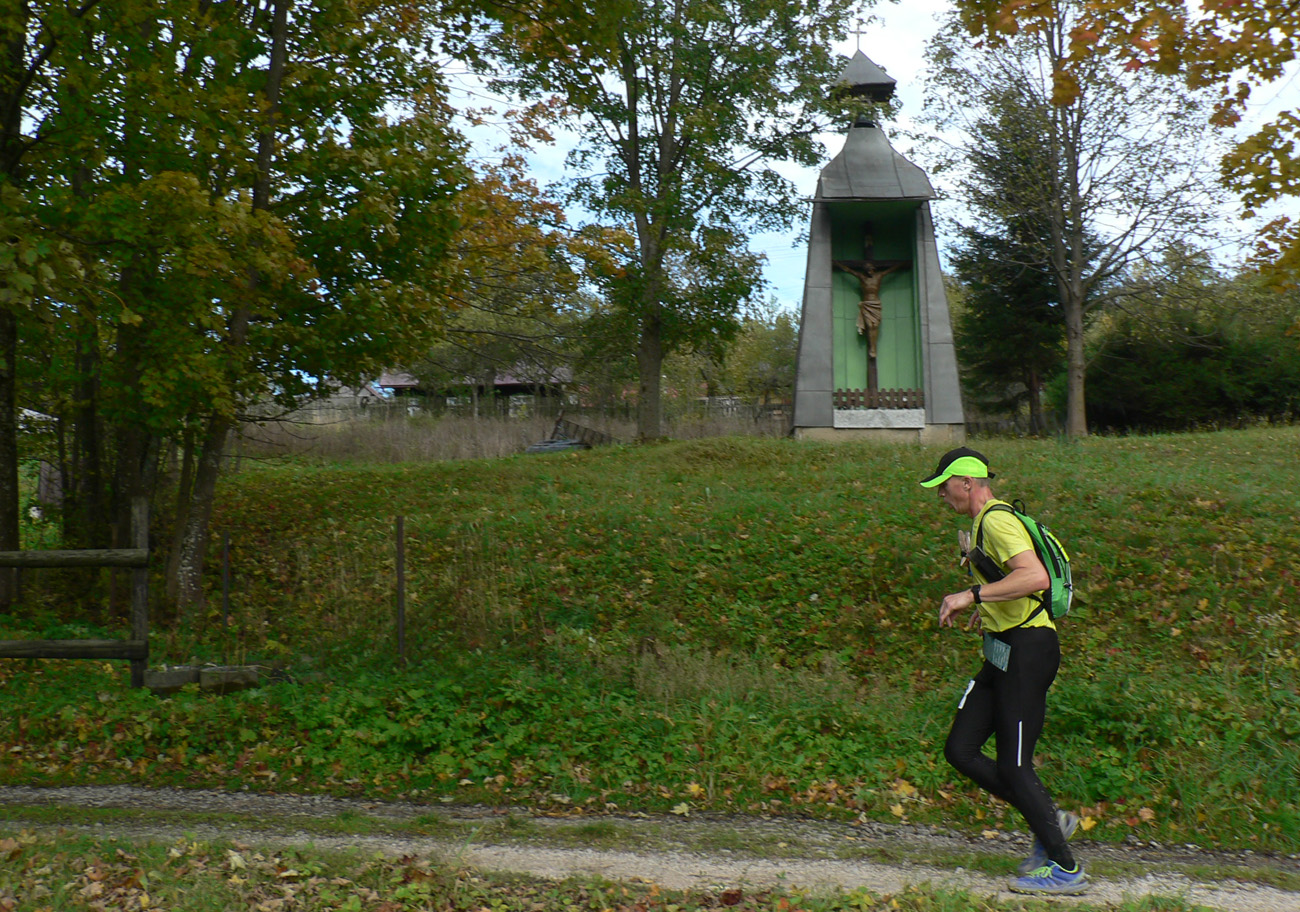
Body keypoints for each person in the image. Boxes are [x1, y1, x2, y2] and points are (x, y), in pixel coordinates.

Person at [919, 446, 1086, 896]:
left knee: (1014, 765)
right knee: (961, 749)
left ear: (967, 483)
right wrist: (989, 607)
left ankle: (1067, 869)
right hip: (1003, 649)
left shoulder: (996, 520)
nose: (941, 495)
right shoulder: (981, 523)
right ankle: (1049, 819)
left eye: (944, 486)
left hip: (1028, 651)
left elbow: (1035, 577)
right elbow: (1012, 584)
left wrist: (971, 595)